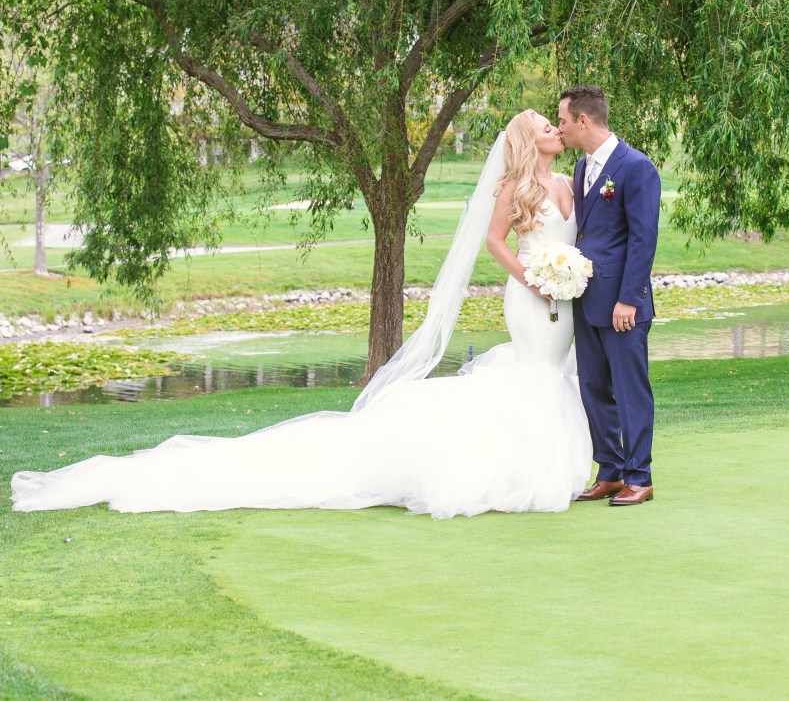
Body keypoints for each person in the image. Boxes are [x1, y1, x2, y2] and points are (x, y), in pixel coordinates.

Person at [11, 110, 592, 519]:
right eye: (547, 125)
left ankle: (550, 464)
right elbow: (496, 244)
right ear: (526, 138)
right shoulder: (513, 187)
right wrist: (533, 280)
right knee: (533, 374)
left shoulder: (569, 180)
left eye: (556, 124)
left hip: (564, 301)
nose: (556, 130)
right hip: (530, 297)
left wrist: (567, 276)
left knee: (550, 374)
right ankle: (520, 471)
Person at [557, 86, 660, 507]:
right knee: (594, 387)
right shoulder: (582, 169)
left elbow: (643, 238)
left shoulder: (636, 167)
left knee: (629, 388)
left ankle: (640, 475)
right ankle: (611, 471)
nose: (560, 127)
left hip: (622, 304)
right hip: (585, 297)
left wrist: (629, 300)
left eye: (563, 120)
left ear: (584, 120)